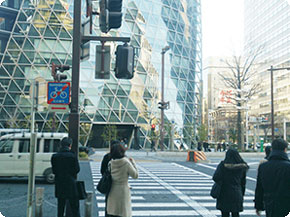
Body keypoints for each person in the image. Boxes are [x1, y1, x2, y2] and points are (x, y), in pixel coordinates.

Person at [254, 138, 290, 217]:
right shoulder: (288, 166)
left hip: (270, 204)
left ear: (272, 149)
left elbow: (259, 188)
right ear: (285, 149)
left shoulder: (263, 167)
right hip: (286, 203)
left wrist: (258, 206)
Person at [212, 148, 249, 217]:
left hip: (224, 193)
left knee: (225, 214)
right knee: (236, 214)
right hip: (236, 193)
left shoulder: (222, 165)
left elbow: (215, 177)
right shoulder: (242, 167)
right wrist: (242, 193)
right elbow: (243, 183)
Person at [106, 143, 138, 217]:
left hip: (112, 190)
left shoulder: (110, 163)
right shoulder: (126, 163)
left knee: (114, 212)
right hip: (123, 190)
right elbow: (135, 175)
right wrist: (133, 163)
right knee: (123, 212)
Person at [51, 137, 80, 217]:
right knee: (75, 208)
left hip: (59, 183)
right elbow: (77, 169)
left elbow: (54, 171)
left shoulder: (55, 156)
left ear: (61, 145)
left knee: (60, 208)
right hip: (71, 183)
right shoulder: (72, 156)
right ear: (70, 145)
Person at [100, 140, 119, 217]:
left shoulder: (107, 157)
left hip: (109, 185)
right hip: (119, 186)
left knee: (108, 205)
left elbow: (102, 170)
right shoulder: (123, 158)